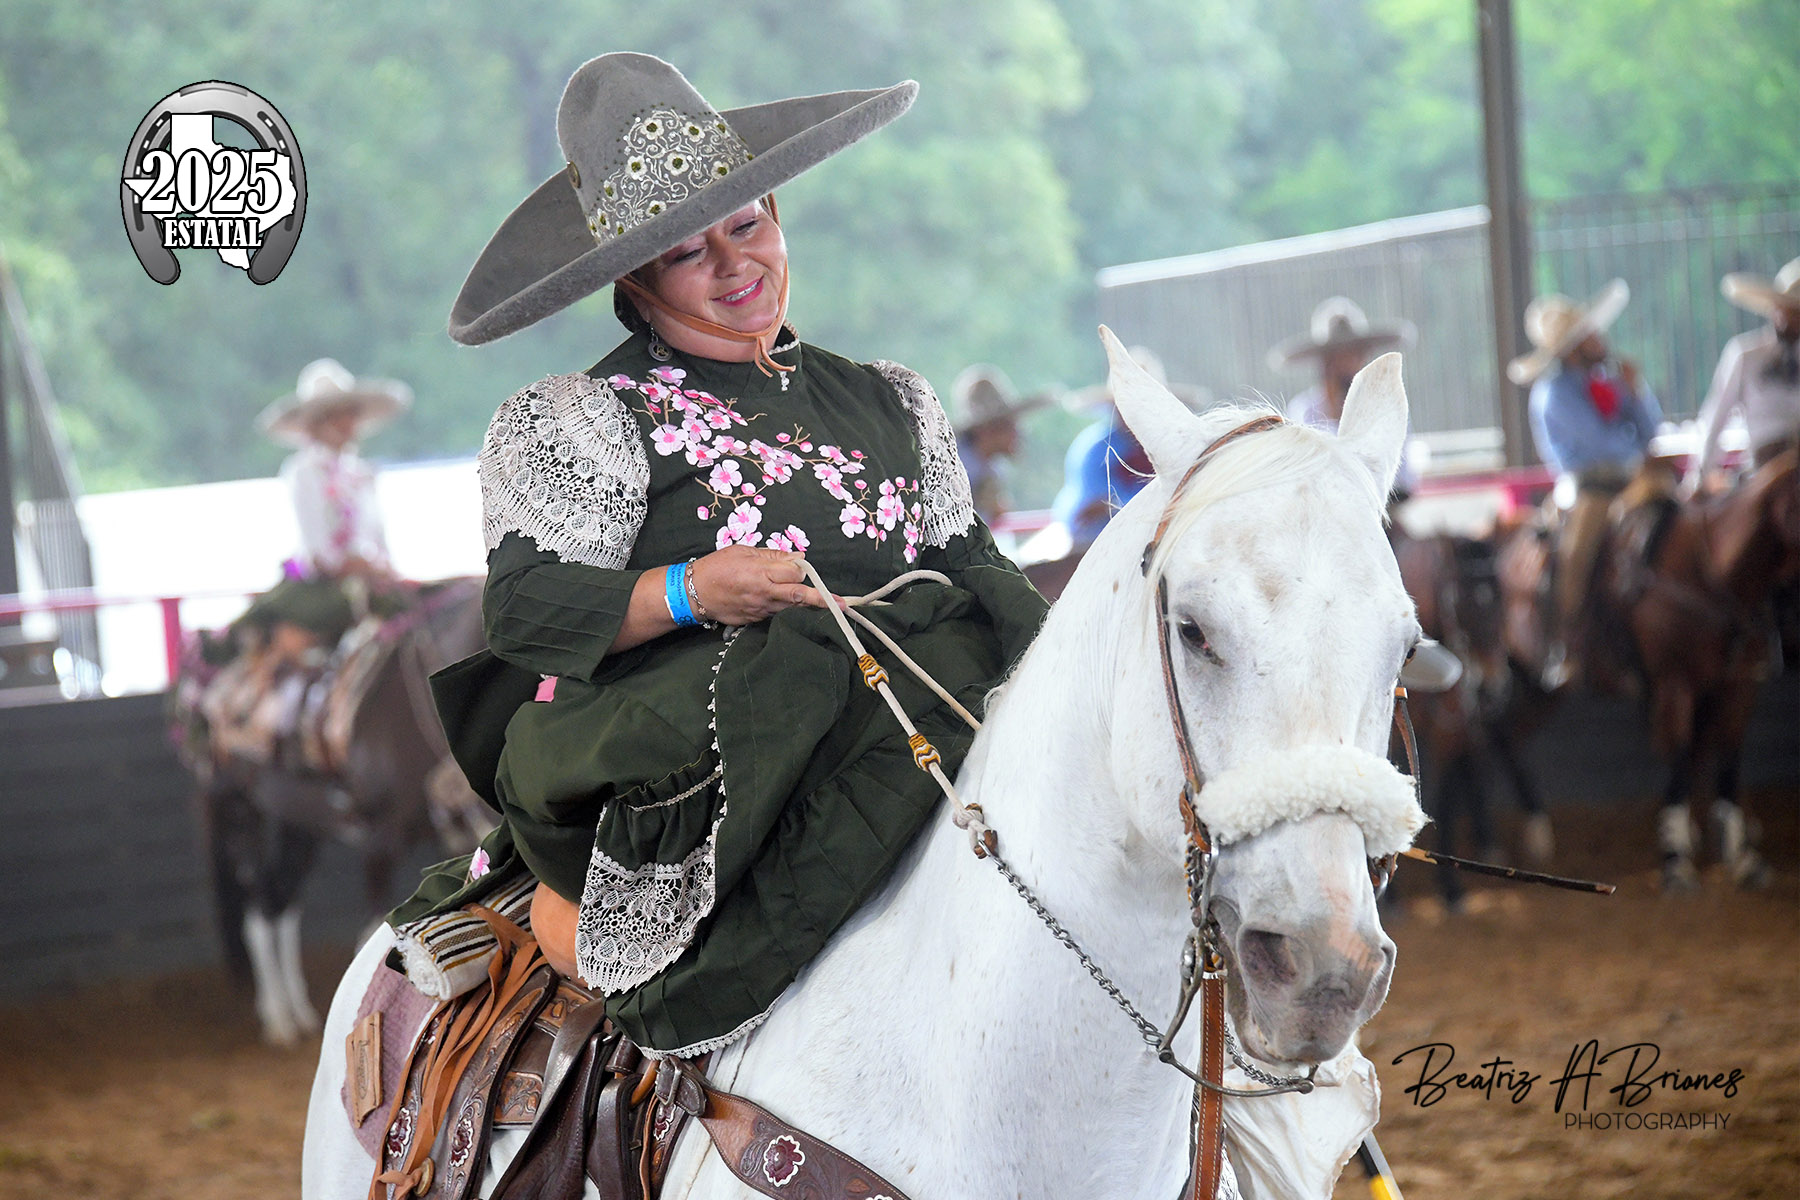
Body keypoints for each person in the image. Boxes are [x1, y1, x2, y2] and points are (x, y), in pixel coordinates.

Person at [385, 53, 1047, 1065]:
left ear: (775, 213)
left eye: (746, 226)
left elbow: (971, 562)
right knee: (810, 679)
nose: (737, 266)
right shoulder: (585, 420)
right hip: (699, 727)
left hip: (907, 686)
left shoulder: (892, 400)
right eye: (689, 252)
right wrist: (694, 589)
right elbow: (526, 611)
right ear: (636, 282)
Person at [199, 359, 409, 757]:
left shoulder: (361, 472)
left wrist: (383, 568)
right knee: (378, 606)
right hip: (320, 586)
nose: (348, 422)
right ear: (318, 422)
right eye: (338, 414)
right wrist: (364, 568)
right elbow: (321, 553)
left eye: (350, 413)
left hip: (367, 579)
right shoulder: (304, 472)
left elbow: (379, 539)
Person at [1509, 279, 1663, 684]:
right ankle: (1567, 639)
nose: (1600, 338)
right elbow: (1600, 448)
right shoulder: (1553, 392)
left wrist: (1637, 392)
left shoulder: (1608, 382)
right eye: (1589, 334)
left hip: (1630, 482)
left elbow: (1651, 430)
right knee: (1576, 553)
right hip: (1588, 489)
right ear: (1574, 347)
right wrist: (1632, 443)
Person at [1048, 344, 1199, 550]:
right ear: (1115, 404)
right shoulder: (1095, 450)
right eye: (1128, 402)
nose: (1135, 411)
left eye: (1144, 403)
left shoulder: (1178, 446)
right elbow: (1087, 513)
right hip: (1100, 547)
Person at [1270, 296, 1419, 497]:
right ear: (1324, 364)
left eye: (1352, 355)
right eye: (1336, 357)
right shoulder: (1303, 411)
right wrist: (1332, 412)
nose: (1345, 365)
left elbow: (1402, 478)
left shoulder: (1387, 410)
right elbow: (1304, 475)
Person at [1684, 256, 1800, 494]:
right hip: (1765, 464)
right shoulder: (1747, 354)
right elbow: (1716, 416)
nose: (1786, 317)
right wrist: (1701, 475)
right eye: (1784, 308)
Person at [951, 364, 1048, 527]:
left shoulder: (992, 469)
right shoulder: (955, 469)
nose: (1018, 432)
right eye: (1010, 424)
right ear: (988, 430)